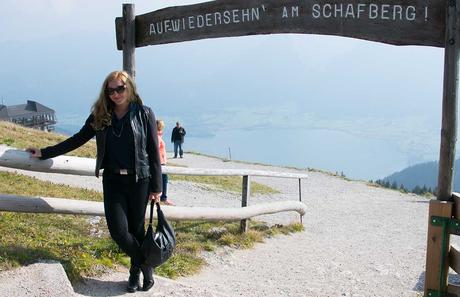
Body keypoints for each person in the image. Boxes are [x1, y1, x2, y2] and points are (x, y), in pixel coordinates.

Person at [27, 70, 162, 293]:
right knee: (119, 232)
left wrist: (157, 187)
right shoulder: (101, 115)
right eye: (111, 90)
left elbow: (153, 152)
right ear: (106, 92)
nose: (116, 94)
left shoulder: (144, 113)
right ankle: (146, 264)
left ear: (130, 88)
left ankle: (134, 273)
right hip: (112, 181)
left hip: (140, 180)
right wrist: (44, 152)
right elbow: (78, 139)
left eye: (120, 88)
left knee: (137, 231)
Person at [156, 119, 174, 206]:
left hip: (161, 161)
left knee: (162, 179)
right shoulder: (157, 137)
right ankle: (163, 197)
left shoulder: (158, 136)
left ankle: (161, 197)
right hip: (160, 162)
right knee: (163, 179)